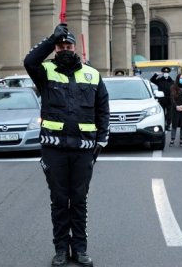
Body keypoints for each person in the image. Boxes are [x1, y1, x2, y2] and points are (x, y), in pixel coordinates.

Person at [24, 23, 110, 267]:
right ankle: (61, 249)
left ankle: (80, 249)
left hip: (84, 150)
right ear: (55, 49)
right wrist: (52, 38)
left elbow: (102, 108)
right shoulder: (45, 71)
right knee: (60, 201)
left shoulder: (92, 74)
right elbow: (29, 61)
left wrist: (102, 139)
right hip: (54, 150)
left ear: (76, 48)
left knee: (79, 200)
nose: (65, 49)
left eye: (68, 45)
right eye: (61, 46)